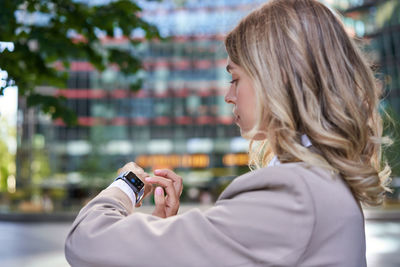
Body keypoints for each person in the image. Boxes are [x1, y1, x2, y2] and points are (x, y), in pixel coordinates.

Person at [65, 0, 392, 266]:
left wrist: (126, 186)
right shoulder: (321, 180)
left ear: (275, 79)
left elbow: (87, 242)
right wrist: (164, 236)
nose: (228, 95)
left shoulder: (292, 194)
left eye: (235, 78)